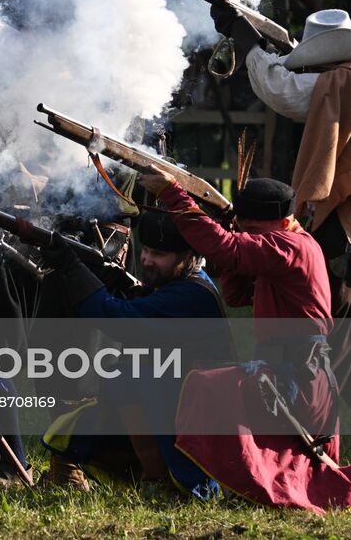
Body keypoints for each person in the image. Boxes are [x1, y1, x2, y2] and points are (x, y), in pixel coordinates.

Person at [217, 5, 351, 501]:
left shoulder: (345, 81)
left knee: (311, 364)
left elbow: (284, 93)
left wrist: (249, 46)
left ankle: (303, 475)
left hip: (337, 241)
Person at [141, 169, 351, 513]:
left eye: (253, 229)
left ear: (278, 221)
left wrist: (173, 194)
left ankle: (195, 485)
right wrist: (234, 241)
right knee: (291, 472)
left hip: (295, 379)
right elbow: (235, 291)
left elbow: (229, 250)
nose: (248, 235)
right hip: (289, 375)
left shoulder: (289, 245)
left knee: (206, 386)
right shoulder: (285, 242)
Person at [40, 210, 231, 497]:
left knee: (129, 375)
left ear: (189, 255)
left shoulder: (192, 295)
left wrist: (72, 266)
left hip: (193, 419)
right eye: (146, 251)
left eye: (159, 254)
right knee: (120, 380)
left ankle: (163, 480)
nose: (146, 260)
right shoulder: (180, 284)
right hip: (170, 405)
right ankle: (149, 477)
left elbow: (115, 319)